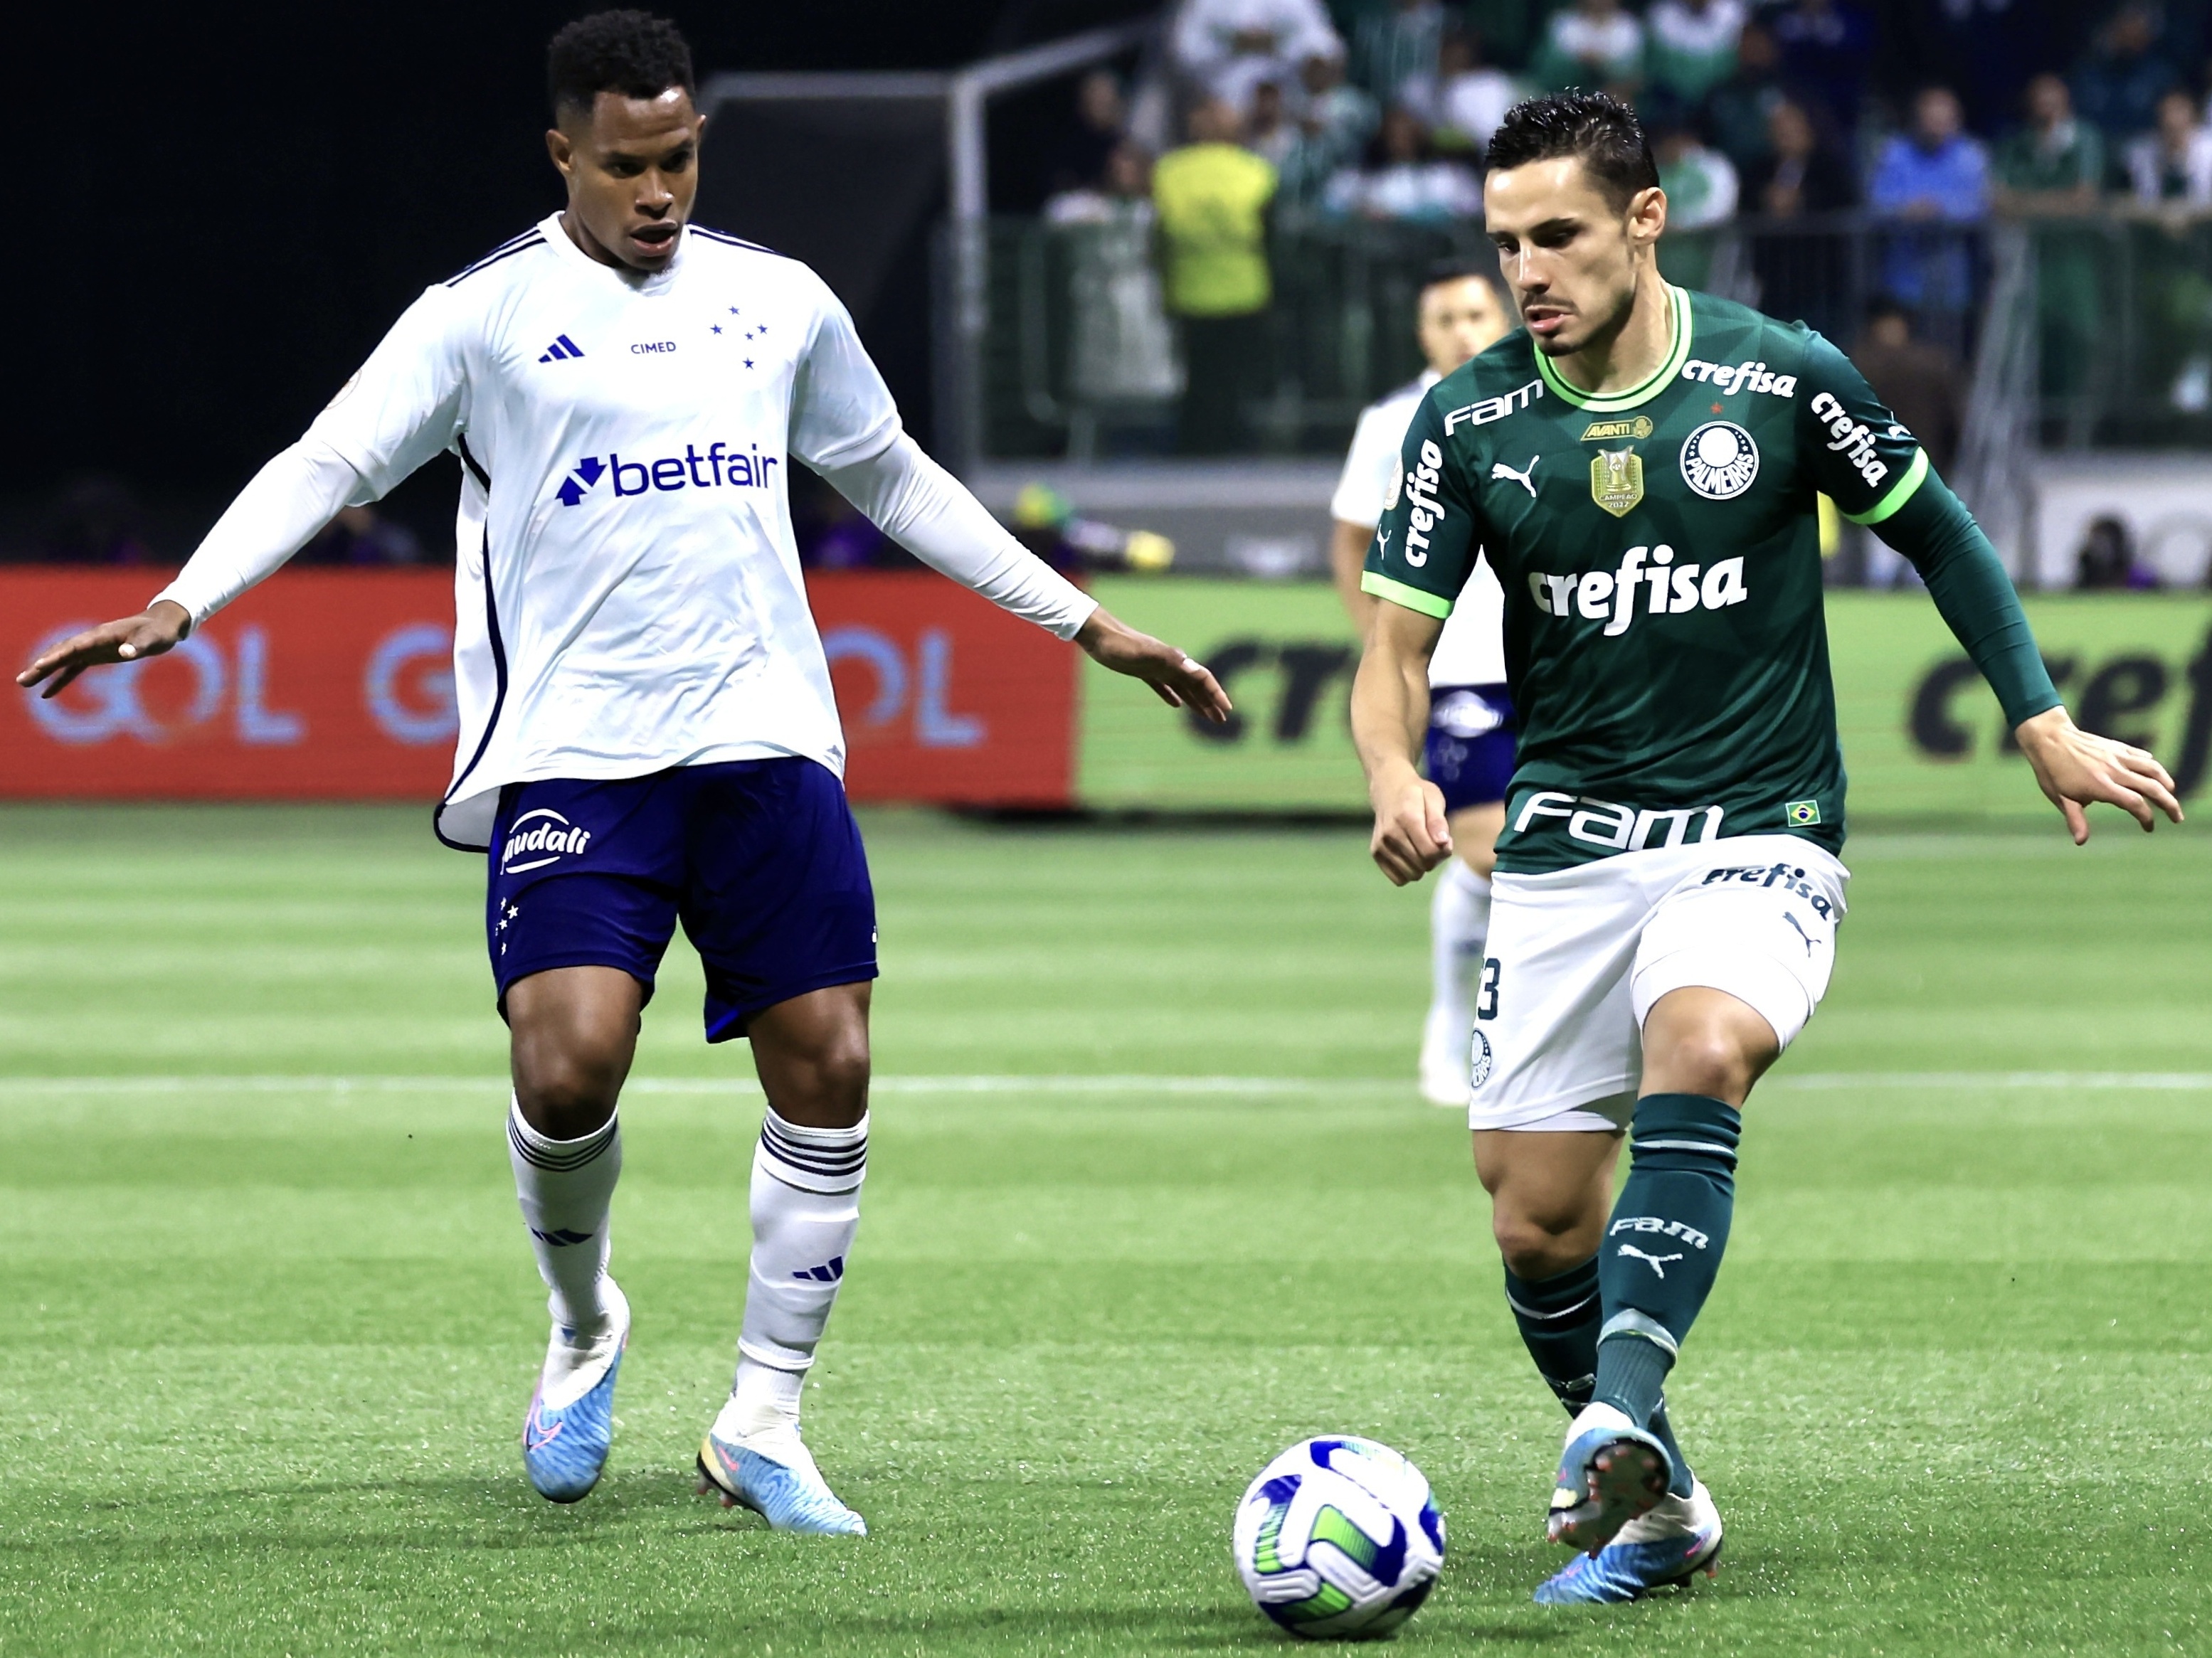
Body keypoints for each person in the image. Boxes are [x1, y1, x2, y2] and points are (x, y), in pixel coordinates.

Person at [17, 9, 1230, 1534]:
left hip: (764, 738)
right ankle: (587, 1322)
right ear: (562, 154)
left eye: (677, 158)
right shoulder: (484, 314)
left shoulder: (776, 301)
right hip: (576, 754)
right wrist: (187, 598)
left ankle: (763, 1421)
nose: (657, 191)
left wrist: (1085, 621)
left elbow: (893, 470)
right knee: (567, 1059)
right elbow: (329, 461)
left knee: (834, 1063)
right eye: (625, 165)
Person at [1348, 89, 2179, 1605]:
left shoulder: (1775, 376)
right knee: (1534, 1215)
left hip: (1757, 828)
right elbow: (1391, 642)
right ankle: (1658, 1498)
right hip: (1564, 850)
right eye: (1505, 242)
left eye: (1558, 236)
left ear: (1644, 219)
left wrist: (2038, 714)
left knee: (1705, 1036)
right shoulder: (1469, 421)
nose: (1528, 270)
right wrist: (1394, 766)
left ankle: (1613, 1406)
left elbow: (1939, 530)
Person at [1327, 261, 1517, 1105]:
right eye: (1445, 318)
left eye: (1477, 313)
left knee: (1552, 864)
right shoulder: (1393, 424)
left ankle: (1519, 1030)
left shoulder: (1552, 402)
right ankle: (1453, 1027)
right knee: (1483, 855)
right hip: (1456, 671)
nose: (1464, 330)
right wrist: (1381, 649)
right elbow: (1351, 539)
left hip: (1559, 669)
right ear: (1422, 333)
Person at [1154, 98, 1280, 452]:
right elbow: (1270, 233)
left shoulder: (1168, 171)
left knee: (1197, 375)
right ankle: (1233, 443)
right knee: (1235, 376)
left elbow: (1159, 235)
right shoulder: (1256, 171)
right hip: (1244, 289)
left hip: (1188, 288)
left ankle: (1195, 443)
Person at [1868, 85, 1990, 319]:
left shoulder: (1971, 156)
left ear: (1956, 120)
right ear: (1916, 119)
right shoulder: (1894, 153)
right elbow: (1877, 202)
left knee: (1946, 350)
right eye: (1930, 119)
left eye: (1943, 119)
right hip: (1902, 280)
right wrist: (1905, 210)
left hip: (1951, 280)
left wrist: (1939, 210)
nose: (1936, 126)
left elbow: (1979, 204)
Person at [1172, 0, 1343, 119]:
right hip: (1223, 106)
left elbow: (1326, 51)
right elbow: (1184, 52)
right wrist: (1235, 45)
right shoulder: (1208, 3)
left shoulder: (1297, 3)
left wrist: (1276, 45)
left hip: (1282, 112)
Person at [1323, 105, 1483, 223]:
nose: (1399, 140)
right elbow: (1329, 207)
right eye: (1393, 133)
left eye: (1406, 133)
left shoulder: (1444, 176)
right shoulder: (1357, 177)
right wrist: (1356, 214)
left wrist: (1407, 218)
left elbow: (1471, 210)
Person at [1642, 0, 1745, 111]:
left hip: (1717, 103)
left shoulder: (1733, 16)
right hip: (1666, 101)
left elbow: (1734, 69)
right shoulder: (1661, 15)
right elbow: (1651, 68)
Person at [1532, 0, 1645, 100]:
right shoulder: (1564, 24)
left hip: (1613, 92)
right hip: (1566, 92)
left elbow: (1634, 71)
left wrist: (1604, 66)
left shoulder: (1628, 26)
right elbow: (1548, 70)